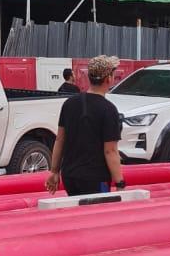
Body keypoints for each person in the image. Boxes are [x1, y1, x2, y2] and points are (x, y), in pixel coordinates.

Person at [46, 55, 125, 197]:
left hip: (70, 176)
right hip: (95, 177)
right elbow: (110, 151)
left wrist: (54, 172)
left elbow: (60, 140)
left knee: (78, 217)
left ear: (90, 77)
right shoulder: (108, 109)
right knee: (96, 217)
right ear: (109, 78)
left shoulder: (69, 104)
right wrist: (120, 183)